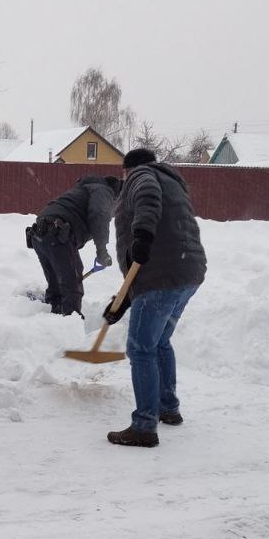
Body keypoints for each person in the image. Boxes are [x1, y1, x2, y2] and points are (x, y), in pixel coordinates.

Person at [101, 148, 207, 447]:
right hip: (187, 272)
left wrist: (142, 236)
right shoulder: (171, 180)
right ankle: (168, 408)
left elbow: (147, 199)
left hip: (162, 275)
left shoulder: (142, 176)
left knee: (141, 349)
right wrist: (124, 299)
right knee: (159, 342)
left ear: (127, 168)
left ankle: (145, 426)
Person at [26, 175, 121, 315]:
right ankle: (71, 321)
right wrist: (102, 251)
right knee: (71, 283)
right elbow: (99, 215)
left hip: (39, 233)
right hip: (57, 233)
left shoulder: (82, 190)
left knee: (57, 281)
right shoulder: (103, 191)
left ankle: (54, 313)